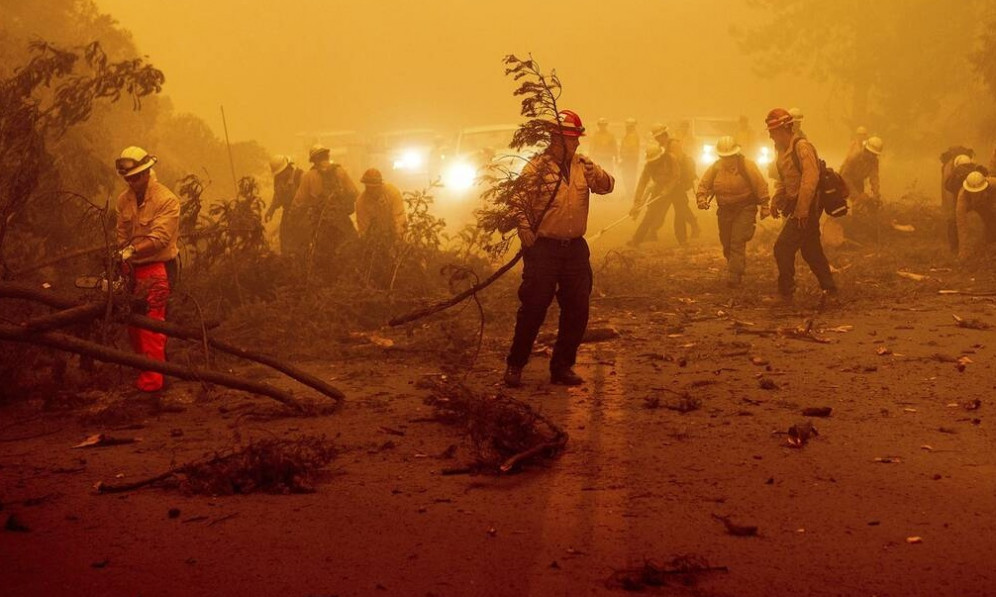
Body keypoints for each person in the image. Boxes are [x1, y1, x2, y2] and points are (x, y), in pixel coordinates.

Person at [504, 110, 614, 388]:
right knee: (534, 306)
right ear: (557, 140)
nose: (577, 143)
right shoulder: (537, 168)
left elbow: (607, 187)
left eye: (577, 138)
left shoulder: (583, 165)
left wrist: (598, 174)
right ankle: (515, 364)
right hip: (543, 248)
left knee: (578, 308)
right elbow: (517, 200)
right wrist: (523, 226)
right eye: (572, 139)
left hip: (575, 247)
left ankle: (562, 366)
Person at [114, 146, 180, 393]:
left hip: (158, 266)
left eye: (135, 177)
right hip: (133, 268)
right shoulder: (124, 200)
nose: (131, 182)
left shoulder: (167, 200)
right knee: (134, 327)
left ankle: (153, 385)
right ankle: (154, 375)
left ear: (146, 173)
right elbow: (121, 234)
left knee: (151, 325)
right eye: (127, 178)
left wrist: (132, 250)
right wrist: (122, 257)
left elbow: (160, 239)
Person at [767, 108, 837, 303]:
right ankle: (830, 288)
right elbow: (785, 179)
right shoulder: (782, 151)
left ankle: (786, 293)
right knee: (811, 250)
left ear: (783, 129)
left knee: (782, 248)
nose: (771, 137)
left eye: (773, 132)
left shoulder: (802, 147)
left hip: (808, 207)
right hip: (799, 207)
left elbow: (810, 180)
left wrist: (801, 211)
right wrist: (776, 199)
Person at [696, 136, 771, 287]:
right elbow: (704, 184)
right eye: (723, 157)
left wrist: (765, 205)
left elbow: (760, 185)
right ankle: (736, 265)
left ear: (736, 154)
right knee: (726, 242)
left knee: (737, 240)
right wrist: (701, 198)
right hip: (725, 209)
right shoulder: (715, 168)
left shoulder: (747, 166)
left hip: (745, 208)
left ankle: (734, 275)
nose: (727, 160)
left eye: (730, 156)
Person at [293, 144, 359, 258]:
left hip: (320, 224)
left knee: (321, 256)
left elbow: (298, 202)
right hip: (341, 221)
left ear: (313, 160)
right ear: (327, 156)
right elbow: (354, 193)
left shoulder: (309, 176)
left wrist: (294, 220)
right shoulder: (340, 171)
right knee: (352, 248)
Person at [628, 134, 683, 246]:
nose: (653, 162)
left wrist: (667, 189)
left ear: (660, 156)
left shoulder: (670, 159)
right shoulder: (649, 166)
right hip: (659, 188)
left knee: (681, 213)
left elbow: (676, 175)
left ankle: (683, 240)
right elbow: (642, 183)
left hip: (676, 188)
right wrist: (637, 203)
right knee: (650, 214)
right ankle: (636, 240)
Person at [840, 136, 883, 231]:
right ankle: (838, 223)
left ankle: (856, 226)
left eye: (875, 155)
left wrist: (876, 193)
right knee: (840, 202)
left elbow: (874, 177)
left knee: (859, 204)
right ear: (866, 150)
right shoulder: (854, 157)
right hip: (843, 179)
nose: (872, 157)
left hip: (858, 181)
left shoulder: (874, 161)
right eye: (871, 153)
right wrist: (855, 194)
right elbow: (845, 176)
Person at [265, 155, 304, 256]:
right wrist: (271, 210)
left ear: (287, 168)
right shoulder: (278, 179)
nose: (279, 176)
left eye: (281, 173)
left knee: (301, 242)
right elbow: (277, 196)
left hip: (302, 215)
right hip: (287, 213)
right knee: (285, 240)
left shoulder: (299, 175)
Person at [939, 146, 975, 253]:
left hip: (959, 188)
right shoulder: (949, 168)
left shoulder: (969, 163)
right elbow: (947, 188)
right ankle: (954, 247)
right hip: (951, 190)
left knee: (956, 216)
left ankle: (961, 246)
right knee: (952, 217)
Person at [955, 171, 996, 261]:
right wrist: (963, 251)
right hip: (974, 205)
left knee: (991, 221)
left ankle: (990, 242)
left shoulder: (993, 184)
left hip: (989, 202)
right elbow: (962, 226)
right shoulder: (962, 197)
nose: (976, 194)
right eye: (973, 192)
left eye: (979, 191)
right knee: (953, 223)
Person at [356, 168, 406, 241]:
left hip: (394, 233)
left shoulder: (392, 193)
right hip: (375, 238)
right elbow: (364, 228)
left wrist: (399, 237)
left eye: (374, 188)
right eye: (368, 187)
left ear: (380, 185)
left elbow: (399, 216)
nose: (371, 191)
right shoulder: (361, 202)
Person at [619, 118, 641, 197]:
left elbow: (631, 149)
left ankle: (630, 193)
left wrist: (624, 158)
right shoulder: (628, 135)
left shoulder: (633, 136)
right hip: (628, 159)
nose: (627, 128)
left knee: (629, 175)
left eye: (629, 126)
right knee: (627, 175)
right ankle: (629, 192)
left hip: (630, 160)